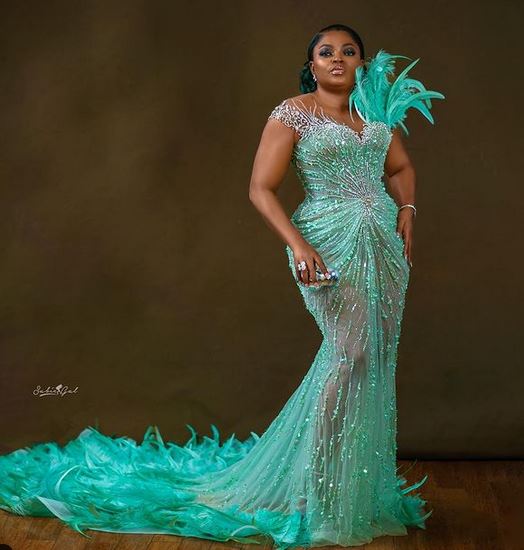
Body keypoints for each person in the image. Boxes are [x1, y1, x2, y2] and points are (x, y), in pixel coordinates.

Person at [0, 23, 444, 550]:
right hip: (326, 241)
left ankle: (355, 488)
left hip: (385, 247)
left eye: (349, 52)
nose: (338, 59)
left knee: (374, 357)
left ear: (362, 64)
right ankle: (317, 489)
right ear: (311, 65)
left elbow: (400, 166)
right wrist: (299, 245)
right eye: (326, 52)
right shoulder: (293, 113)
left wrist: (407, 207)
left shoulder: (375, 114)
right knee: (351, 354)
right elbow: (260, 188)